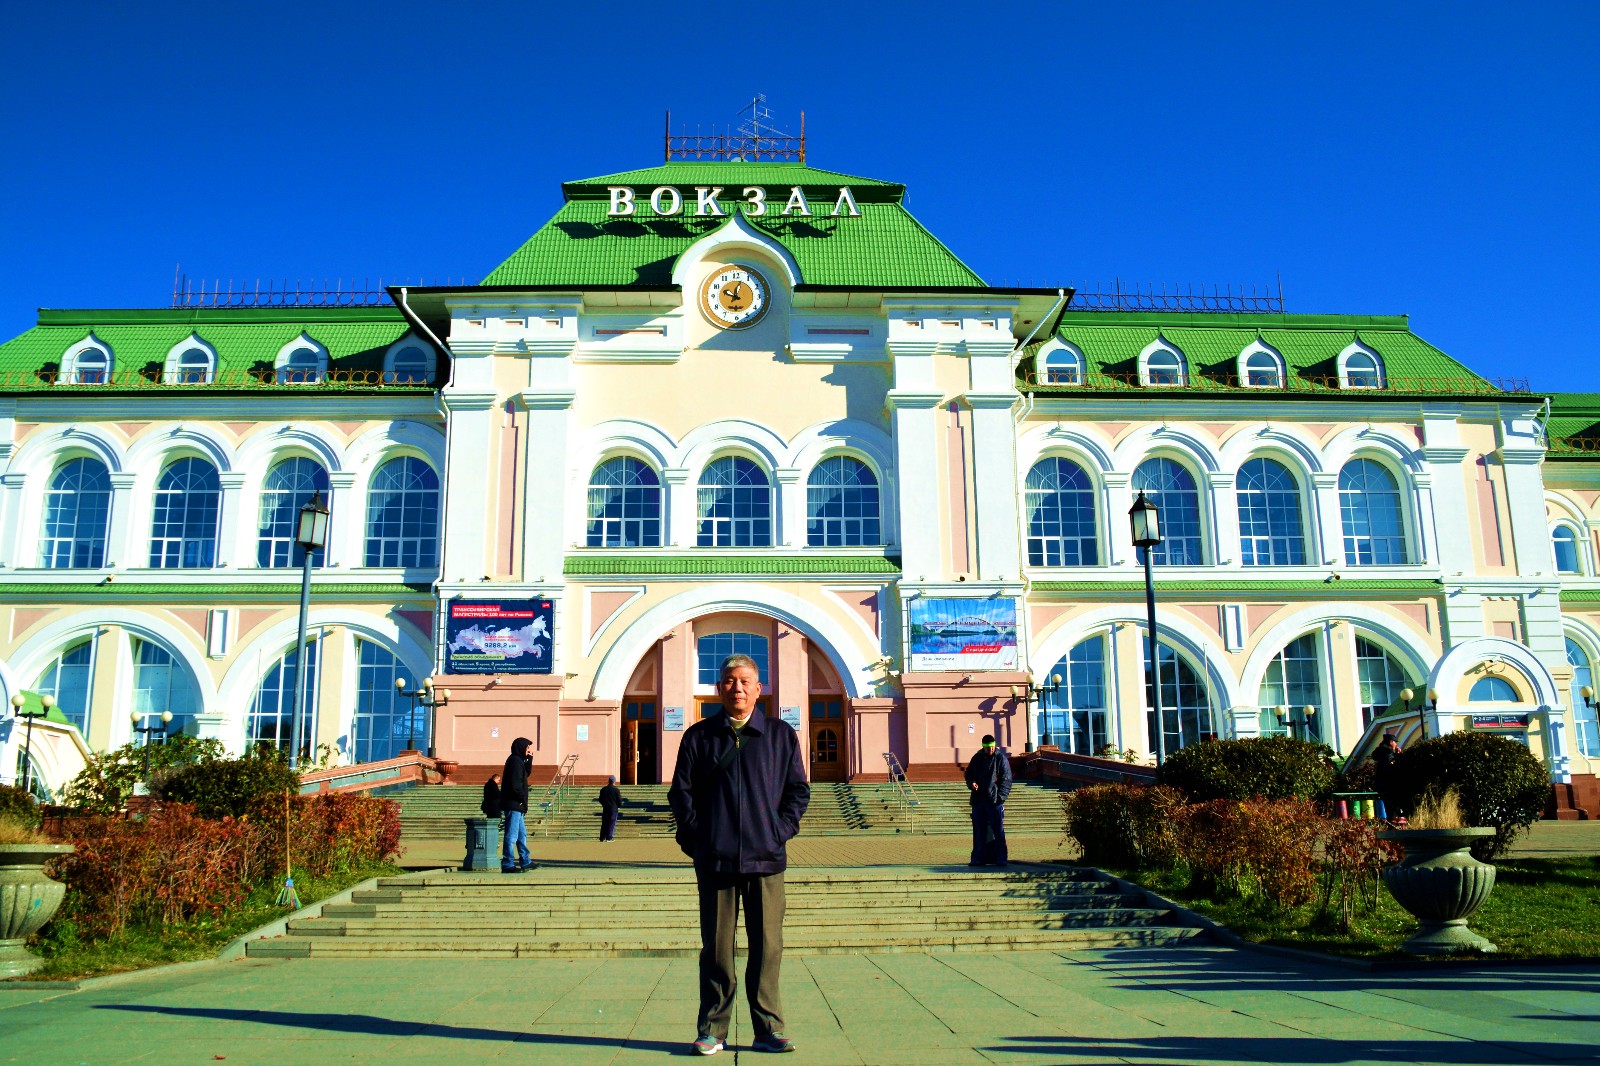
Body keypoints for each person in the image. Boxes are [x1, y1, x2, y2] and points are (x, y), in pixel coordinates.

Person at [668, 654, 809, 1057]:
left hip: (766, 861)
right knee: (716, 947)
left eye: (746, 681)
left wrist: (778, 832)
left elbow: (797, 791)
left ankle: (768, 1028)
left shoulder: (780, 735)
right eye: (730, 681)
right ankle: (712, 1029)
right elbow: (682, 794)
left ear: (759, 689)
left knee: (768, 946)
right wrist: (698, 839)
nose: (738, 688)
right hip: (715, 860)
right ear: (719, 688)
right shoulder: (698, 737)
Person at [964, 734, 1012, 867]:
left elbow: (1006, 780)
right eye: (987, 748)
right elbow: (969, 774)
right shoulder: (977, 758)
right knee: (979, 831)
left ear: (995, 745)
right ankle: (978, 859)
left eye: (992, 747)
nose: (990, 750)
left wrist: (1000, 798)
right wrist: (971, 783)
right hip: (979, 800)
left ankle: (1001, 858)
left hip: (994, 801)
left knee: (998, 831)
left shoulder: (1000, 758)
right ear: (983, 747)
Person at [499, 737, 536, 873]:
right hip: (514, 803)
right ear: (520, 747)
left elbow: (525, 775)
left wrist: (529, 760)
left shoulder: (518, 761)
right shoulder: (515, 761)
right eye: (527, 748)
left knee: (522, 835)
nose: (529, 750)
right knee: (512, 835)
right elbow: (516, 784)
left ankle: (525, 860)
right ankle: (508, 863)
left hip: (517, 804)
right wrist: (521, 798)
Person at [1371, 732, 1404, 820]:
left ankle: (1391, 824)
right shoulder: (1389, 755)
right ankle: (1392, 827)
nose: (1396, 744)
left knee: (1388, 807)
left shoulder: (1381, 754)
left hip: (1381, 786)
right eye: (1395, 742)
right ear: (1390, 742)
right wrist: (1398, 756)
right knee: (1393, 808)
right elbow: (1394, 770)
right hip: (1390, 786)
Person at [598, 775, 622, 842]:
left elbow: (600, 799)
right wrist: (618, 806)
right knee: (611, 824)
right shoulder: (616, 790)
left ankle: (602, 837)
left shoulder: (603, 789)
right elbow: (619, 800)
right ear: (614, 781)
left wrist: (604, 804)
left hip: (605, 809)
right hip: (613, 809)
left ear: (608, 781)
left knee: (604, 823)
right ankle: (609, 837)